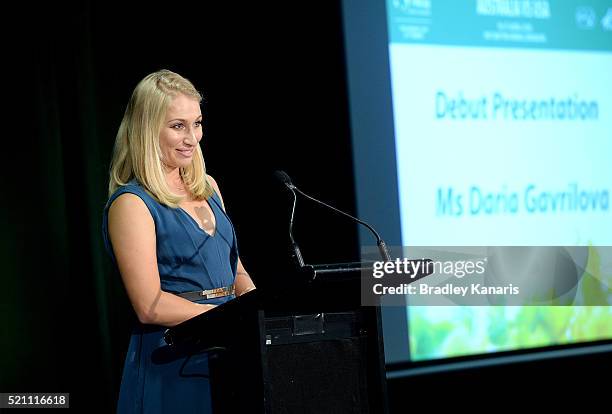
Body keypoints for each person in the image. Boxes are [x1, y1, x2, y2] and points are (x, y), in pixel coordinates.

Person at [102, 69, 256, 413]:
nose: (193, 137)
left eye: (197, 123)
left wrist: (261, 315)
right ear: (146, 130)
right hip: (175, 362)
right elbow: (149, 304)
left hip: (230, 354)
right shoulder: (132, 204)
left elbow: (236, 273)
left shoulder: (210, 187)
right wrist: (230, 321)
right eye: (178, 126)